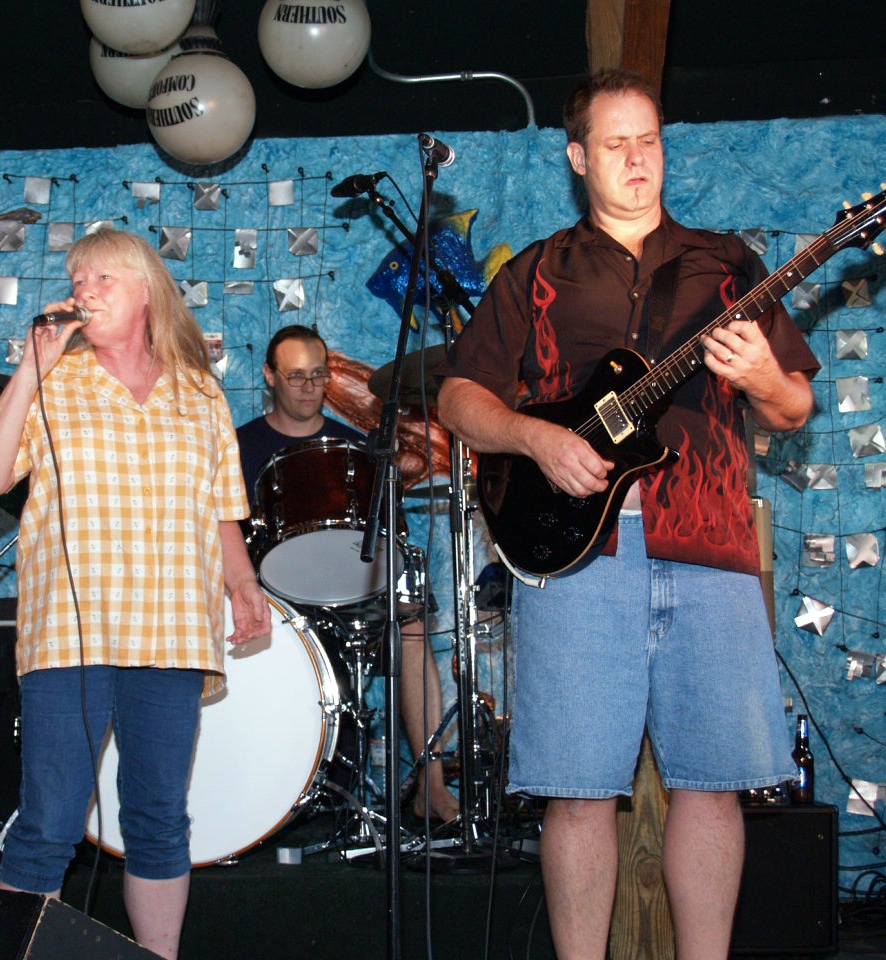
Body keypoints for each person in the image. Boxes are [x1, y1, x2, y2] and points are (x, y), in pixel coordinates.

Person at [435, 70, 817, 960]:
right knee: (578, 792)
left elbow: (792, 405)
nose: (638, 158)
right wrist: (535, 440)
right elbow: (458, 398)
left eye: (649, 139)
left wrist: (761, 376)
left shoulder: (730, 266)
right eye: (615, 143)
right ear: (577, 158)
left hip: (712, 541)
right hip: (581, 555)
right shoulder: (535, 273)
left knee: (714, 787)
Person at [0, 227, 270, 960]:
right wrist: (30, 369)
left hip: (170, 632)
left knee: (160, 818)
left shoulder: (198, 391)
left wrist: (243, 580)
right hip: (71, 634)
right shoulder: (54, 381)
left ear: (146, 293)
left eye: (103, 278)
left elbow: (219, 502)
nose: (83, 290)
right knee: (49, 823)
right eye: (77, 278)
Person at [236, 324, 461, 824]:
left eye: (318, 375)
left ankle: (431, 785)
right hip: (277, 595)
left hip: (354, 590)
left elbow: (389, 536)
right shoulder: (239, 447)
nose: (308, 387)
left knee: (413, 623)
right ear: (270, 376)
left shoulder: (357, 448)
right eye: (295, 376)